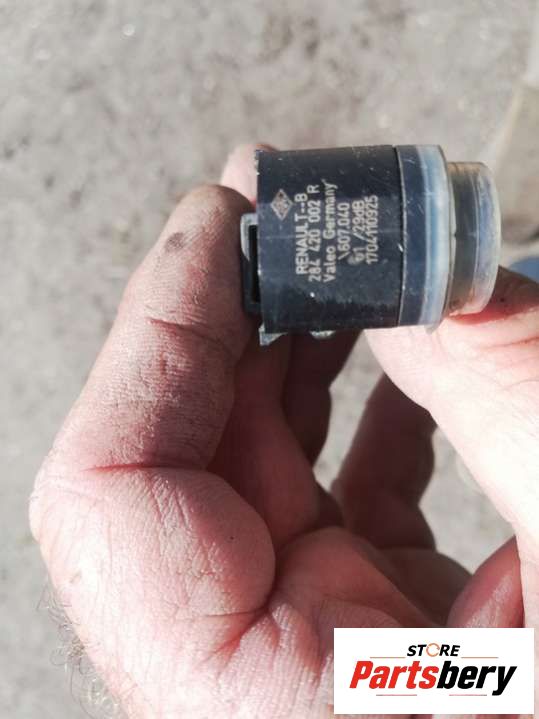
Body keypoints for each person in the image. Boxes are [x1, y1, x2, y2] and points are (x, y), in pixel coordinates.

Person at [30, 145, 539, 718]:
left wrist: (509, 685)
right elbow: (503, 679)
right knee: (491, 300)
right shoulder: (487, 683)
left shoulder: (492, 681)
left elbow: (507, 678)